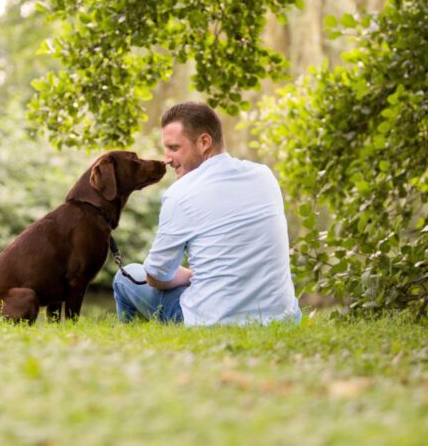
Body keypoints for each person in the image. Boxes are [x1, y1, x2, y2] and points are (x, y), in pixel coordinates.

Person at [113, 102, 301, 326]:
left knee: (127, 276)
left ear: (204, 142)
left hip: (214, 320)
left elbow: (155, 276)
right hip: (283, 318)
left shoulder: (180, 193)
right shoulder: (265, 176)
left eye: (174, 148)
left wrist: (189, 275)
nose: (167, 159)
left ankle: (134, 346)